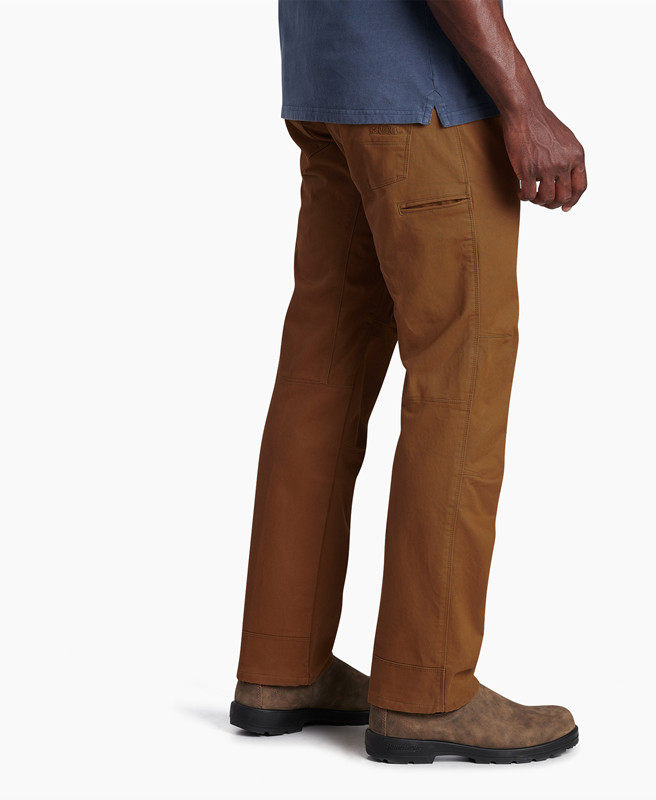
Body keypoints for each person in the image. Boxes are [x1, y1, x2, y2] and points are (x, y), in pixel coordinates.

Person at [230, 0, 586, 764]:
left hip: (326, 87)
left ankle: (281, 666)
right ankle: (428, 691)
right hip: (423, 101)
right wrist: (524, 103)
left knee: (322, 373)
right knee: (462, 374)